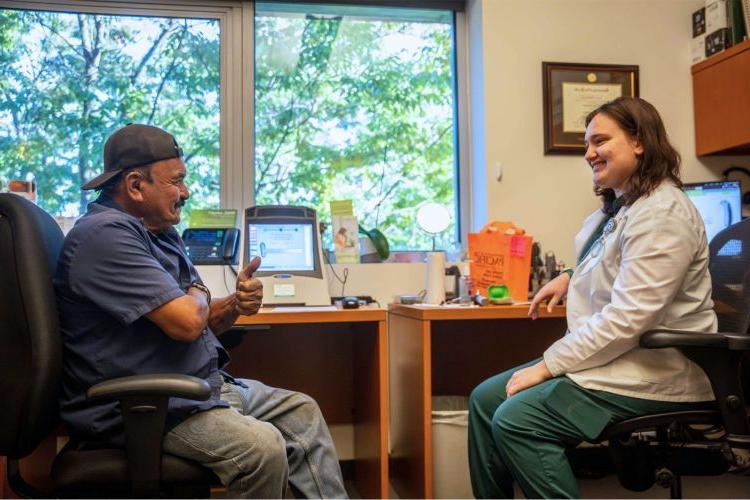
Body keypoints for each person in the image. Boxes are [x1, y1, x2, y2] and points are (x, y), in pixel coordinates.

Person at [54, 124, 347, 499]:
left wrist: (235, 305)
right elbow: (188, 321)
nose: (185, 192)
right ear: (134, 185)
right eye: (176, 181)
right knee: (262, 448)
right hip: (143, 408)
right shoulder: (104, 235)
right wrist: (199, 291)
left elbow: (199, 317)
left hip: (194, 389)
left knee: (301, 412)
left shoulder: (157, 231)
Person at [467, 97, 718, 499]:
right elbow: (613, 259)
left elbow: (627, 320)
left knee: (517, 419)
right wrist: (569, 275)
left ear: (639, 141)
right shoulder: (626, 207)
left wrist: (548, 366)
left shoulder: (663, 215)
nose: (589, 153)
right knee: (484, 400)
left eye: (600, 140)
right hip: (620, 356)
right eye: (587, 144)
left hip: (653, 370)